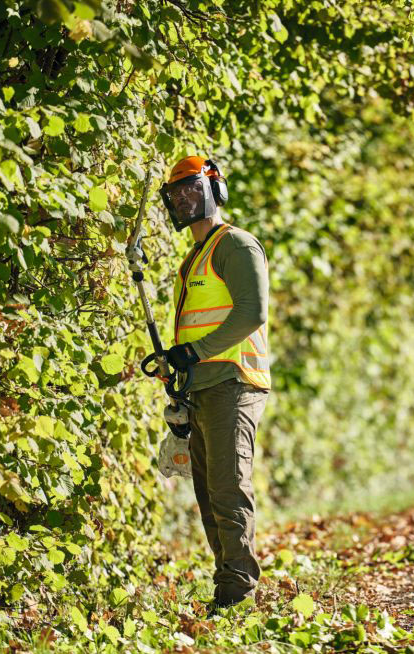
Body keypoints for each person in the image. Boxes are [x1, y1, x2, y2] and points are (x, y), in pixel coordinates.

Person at [159, 156, 271, 615]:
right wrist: (177, 365)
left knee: (228, 489)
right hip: (202, 387)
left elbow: (252, 312)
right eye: (177, 193)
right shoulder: (194, 258)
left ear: (214, 191)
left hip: (233, 382)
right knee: (208, 495)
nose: (185, 199)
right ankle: (227, 589)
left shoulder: (236, 246)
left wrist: (196, 352)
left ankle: (236, 595)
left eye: (192, 188)